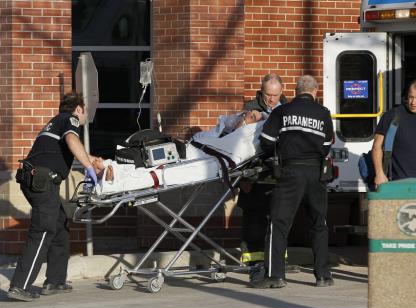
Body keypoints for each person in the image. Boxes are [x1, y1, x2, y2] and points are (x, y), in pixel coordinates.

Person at [8, 92, 98, 301]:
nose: (85, 117)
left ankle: (55, 281)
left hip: (36, 180)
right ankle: (19, 286)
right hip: (43, 182)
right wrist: (88, 168)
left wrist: (94, 162)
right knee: (43, 230)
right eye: (85, 112)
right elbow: (72, 140)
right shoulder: (70, 119)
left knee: (60, 226)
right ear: (78, 108)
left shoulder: (55, 122)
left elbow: (72, 147)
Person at [252, 75, 334, 289]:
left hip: (291, 171)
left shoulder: (282, 111)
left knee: (279, 223)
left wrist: (276, 153)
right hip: (316, 172)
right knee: (319, 224)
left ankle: (275, 276)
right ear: (314, 92)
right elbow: (327, 144)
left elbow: (267, 141)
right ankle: (323, 275)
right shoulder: (323, 113)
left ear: (296, 91)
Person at [91, 110, 266, 194]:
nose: (244, 116)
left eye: (250, 117)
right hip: (189, 149)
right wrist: (242, 118)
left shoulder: (247, 137)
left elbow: (262, 128)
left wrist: (252, 121)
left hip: (206, 164)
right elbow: (228, 120)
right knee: (144, 156)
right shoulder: (228, 128)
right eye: (246, 113)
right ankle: (109, 167)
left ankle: (112, 183)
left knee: (160, 174)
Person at [237, 73, 299, 275]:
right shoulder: (250, 109)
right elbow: (239, 145)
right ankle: (254, 262)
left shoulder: (289, 109)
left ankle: (278, 261)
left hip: (280, 172)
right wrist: (243, 178)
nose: (271, 99)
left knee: (279, 218)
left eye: (275, 94)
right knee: (254, 220)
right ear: (261, 91)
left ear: (282, 91)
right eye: (267, 95)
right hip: (255, 174)